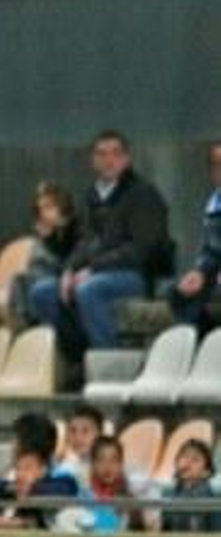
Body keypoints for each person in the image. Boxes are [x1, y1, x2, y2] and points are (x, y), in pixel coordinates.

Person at [28, 131, 172, 363]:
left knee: (89, 289)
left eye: (116, 153)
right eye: (102, 154)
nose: (109, 160)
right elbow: (83, 243)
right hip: (98, 272)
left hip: (138, 275)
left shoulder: (144, 194)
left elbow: (142, 250)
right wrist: (69, 270)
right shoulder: (92, 198)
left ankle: (111, 364)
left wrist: (93, 269)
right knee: (42, 292)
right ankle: (78, 360)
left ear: (127, 159)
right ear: (93, 161)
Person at [0, 413, 81, 531]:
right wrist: (12, 487)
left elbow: (65, 489)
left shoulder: (62, 473)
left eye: (15, 439)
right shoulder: (12, 475)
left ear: (27, 442)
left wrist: (28, 488)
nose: (11, 445)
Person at [169, 140, 221, 331]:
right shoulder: (215, 203)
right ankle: (198, 344)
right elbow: (211, 250)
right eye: (218, 166)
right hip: (215, 273)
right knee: (179, 293)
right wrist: (199, 271)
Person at [13, 181, 79, 325]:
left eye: (48, 207)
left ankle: (43, 329)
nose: (44, 213)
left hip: (65, 276)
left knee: (39, 281)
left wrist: (50, 239)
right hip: (43, 275)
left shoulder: (73, 226)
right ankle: (26, 328)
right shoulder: (45, 230)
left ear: (61, 205)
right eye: (41, 208)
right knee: (18, 280)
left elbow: (70, 260)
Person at [83, 434, 153, 533]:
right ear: (93, 464)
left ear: (121, 464)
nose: (107, 466)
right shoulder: (83, 498)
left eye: (114, 460)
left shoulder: (131, 501)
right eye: (101, 460)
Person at [161, 439, 221, 533]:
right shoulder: (169, 493)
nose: (187, 462)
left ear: (206, 472)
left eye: (195, 460)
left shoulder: (209, 497)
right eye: (184, 457)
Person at [59, 404, 105, 484]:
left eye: (85, 431)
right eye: (72, 431)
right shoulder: (63, 470)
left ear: (99, 435)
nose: (78, 438)